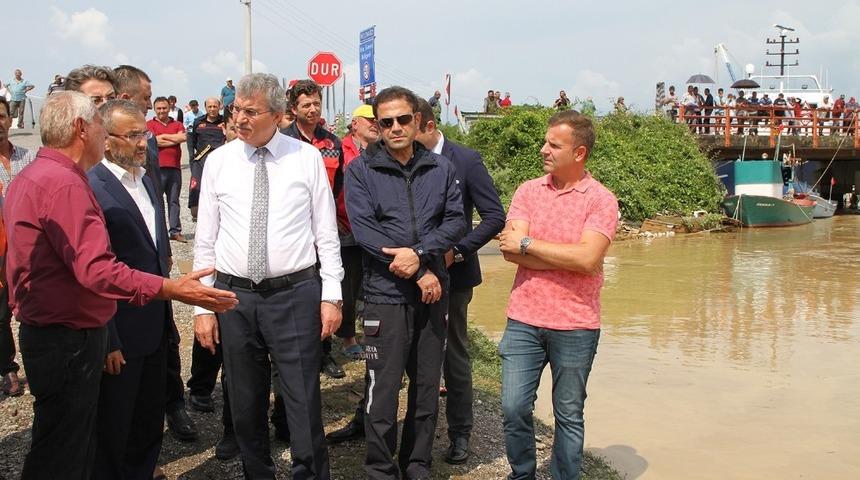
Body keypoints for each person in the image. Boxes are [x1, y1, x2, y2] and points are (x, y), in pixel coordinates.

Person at [3, 90, 237, 480]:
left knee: (71, 441)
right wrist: (172, 289)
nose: (142, 142)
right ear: (84, 129)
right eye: (100, 125)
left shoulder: (38, 176)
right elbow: (97, 270)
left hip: (66, 331)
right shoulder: (66, 185)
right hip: (70, 337)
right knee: (66, 451)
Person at [193, 73, 343, 479]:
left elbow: (326, 233)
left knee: (302, 400)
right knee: (244, 401)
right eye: (236, 109)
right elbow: (205, 240)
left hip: (294, 294)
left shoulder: (305, 157)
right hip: (234, 297)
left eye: (250, 111)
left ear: (278, 115)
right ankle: (257, 472)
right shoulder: (220, 162)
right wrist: (203, 306)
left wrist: (332, 295)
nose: (239, 117)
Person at [344, 86, 465, 479]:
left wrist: (421, 252)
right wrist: (418, 269)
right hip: (384, 296)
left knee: (427, 386)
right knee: (382, 389)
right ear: (377, 125)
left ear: (418, 121)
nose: (395, 128)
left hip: (432, 296)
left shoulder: (440, 168)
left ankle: (416, 463)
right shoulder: (360, 171)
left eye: (403, 119)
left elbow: (456, 222)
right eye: (386, 122)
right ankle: (381, 468)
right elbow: (365, 232)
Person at [497, 109, 618, 480]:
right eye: (545, 142)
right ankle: (523, 475)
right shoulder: (528, 191)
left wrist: (532, 245)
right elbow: (508, 250)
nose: (543, 149)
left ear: (578, 153)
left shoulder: (600, 200)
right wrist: (570, 257)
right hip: (524, 319)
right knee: (513, 406)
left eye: (554, 144)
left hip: (576, 324)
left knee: (568, 413)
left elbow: (587, 258)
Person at [87, 100, 177, 480]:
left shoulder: (146, 178)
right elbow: (95, 272)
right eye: (134, 135)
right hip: (120, 332)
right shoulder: (93, 187)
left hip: (154, 326)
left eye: (146, 134)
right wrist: (108, 338)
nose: (143, 143)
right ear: (106, 141)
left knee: (146, 420)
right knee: (113, 427)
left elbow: (157, 252)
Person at [414, 98, 505, 463]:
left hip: (454, 272)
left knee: (454, 352)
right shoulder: (403, 158)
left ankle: (460, 433)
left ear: (429, 125)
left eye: (410, 127)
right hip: (410, 271)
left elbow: (494, 216)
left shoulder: (464, 159)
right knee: (409, 352)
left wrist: (460, 251)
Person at [281, 79, 348, 380]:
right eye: (306, 104)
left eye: (316, 103)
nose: (312, 109)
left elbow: (339, 188)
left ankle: (324, 352)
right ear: (293, 109)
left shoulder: (333, 143)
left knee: (326, 288)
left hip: (323, 229)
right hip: (290, 229)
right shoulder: (282, 142)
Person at [0, 96, 35, 397]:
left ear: (9, 119)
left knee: (28, 302)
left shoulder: (27, 156)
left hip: (26, 244)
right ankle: (8, 368)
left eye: (0, 116)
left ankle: (36, 363)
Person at [338, 103, 379, 356]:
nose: (375, 123)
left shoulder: (381, 151)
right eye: (369, 119)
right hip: (347, 228)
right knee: (349, 287)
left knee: (372, 287)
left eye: (377, 120)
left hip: (376, 231)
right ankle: (347, 338)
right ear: (355, 124)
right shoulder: (340, 149)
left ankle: (373, 335)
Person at [147, 96, 187, 243]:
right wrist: (170, 138)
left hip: (174, 167)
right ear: (154, 109)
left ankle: (175, 231)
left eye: (164, 108)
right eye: (159, 108)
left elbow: (182, 138)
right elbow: (153, 141)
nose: (162, 111)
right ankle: (159, 232)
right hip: (156, 168)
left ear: (169, 108)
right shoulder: (149, 125)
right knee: (157, 201)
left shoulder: (177, 124)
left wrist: (162, 137)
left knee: (174, 201)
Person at [187, 97, 224, 221]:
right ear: (205, 107)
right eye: (210, 106)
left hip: (220, 162)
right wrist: (192, 159)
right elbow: (191, 141)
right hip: (201, 160)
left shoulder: (225, 122)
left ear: (219, 107)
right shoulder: (198, 122)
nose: (212, 109)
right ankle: (197, 213)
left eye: (215, 106)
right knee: (196, 187)